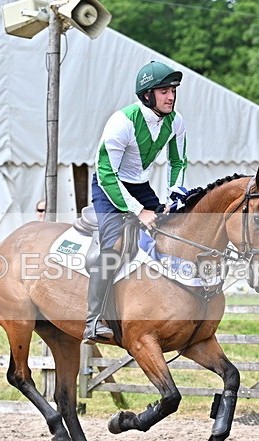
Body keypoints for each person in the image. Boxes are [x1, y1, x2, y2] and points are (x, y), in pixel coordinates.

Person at [84, 61, 187, 344]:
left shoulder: (175, 121)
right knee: (113, 247)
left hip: (139, 186)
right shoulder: (123, 121)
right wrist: (139, 210)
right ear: (146, 95)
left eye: (173, 90)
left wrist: (173, 196)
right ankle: (93, 321)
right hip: (108, 186)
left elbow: (178, 162)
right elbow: (106, 173)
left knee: (170, 232)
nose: (171, 96)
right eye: (164, 91)